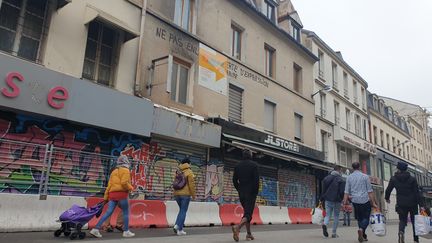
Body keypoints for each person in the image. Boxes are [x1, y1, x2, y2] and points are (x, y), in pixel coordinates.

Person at [90, 155, 135, 238]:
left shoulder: (114, 171)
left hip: (112, 194)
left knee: (108, 211)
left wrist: (106, 197)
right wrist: (131, 188)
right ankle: (126, 231)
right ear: (126, 162)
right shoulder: (126, 170)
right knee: (126, 212)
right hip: (121, 194)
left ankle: (95, 229)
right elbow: (124, 183)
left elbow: (109, 185)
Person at [385, 161, 423, 243]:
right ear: (406, 169)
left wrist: (387, 198)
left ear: (398, 169)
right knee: (414, 221)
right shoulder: (412, 179)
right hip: (413, 203)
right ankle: (416, 240)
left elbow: (388, 190)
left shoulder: (393, 179)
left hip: (401, 203)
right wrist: (421, 205)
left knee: (402, 220)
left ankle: (401, 232)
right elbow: (417, 192)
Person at [343, 162, 378, 242]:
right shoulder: (365, 177)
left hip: (355, 200)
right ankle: (361, 230)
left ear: (352, 168)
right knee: (366, 218)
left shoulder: (349, 177)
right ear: (359, 167)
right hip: (365, 200)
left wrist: (344, 202)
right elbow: (370, 191)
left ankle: (363, 234)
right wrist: (373, 203)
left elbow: (346, 191)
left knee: (359, 218)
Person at [231, 149, 260, 242]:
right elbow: (256, 181)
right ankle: (238, 228)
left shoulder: (237, 166)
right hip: (251, 193)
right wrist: (255, 192)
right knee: (248, 214)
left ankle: (249, 234)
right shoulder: (254, 165)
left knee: (246, 213)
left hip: (241, 193)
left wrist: (239, 189)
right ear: (250, 156)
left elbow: (234, 180)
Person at [173, 158, 196, 236]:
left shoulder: (178, 171)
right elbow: (192, 185)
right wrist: (193, 195)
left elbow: (175, 182)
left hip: (176, 194)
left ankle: (180, 229)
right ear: (188, 163)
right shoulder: (189, 172)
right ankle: (177, 226)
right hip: (185, 195)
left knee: (181, 211)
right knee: (183, 211)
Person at [321, 165, 345, 238]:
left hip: (328, 199)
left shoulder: (326, 178)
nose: (341, 172)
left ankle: (325, 224)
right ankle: (334, 233)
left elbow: (323, 190)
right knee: (336, 216)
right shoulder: (341, 179)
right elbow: (342, 191)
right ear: (339, 170)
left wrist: (323, 198)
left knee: (328, 215)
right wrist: (342, 199)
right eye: (341, 170)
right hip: (337, 200)